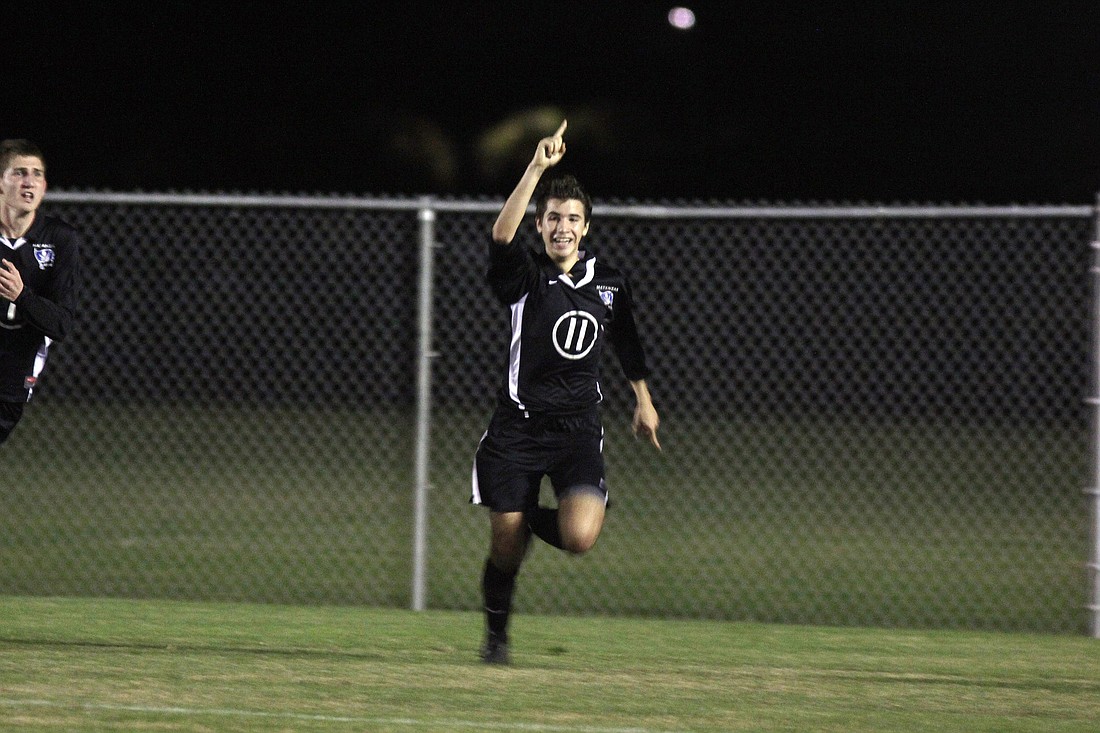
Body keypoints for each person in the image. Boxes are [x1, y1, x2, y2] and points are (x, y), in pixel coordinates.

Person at [471, 120, 661, 664]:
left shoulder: (609, 281)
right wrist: (535, 168)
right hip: (518, 428)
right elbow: (500, 238)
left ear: (586, 228)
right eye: (553, 218)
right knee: (504, 549)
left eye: (572, 219)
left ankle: (531, 515)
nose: (562, 228)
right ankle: (496, 639)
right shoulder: (525, 276)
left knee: (578, 537)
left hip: (578, 429)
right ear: (541, 224)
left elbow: (625, 336)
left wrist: (643, 399)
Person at [0, 139, 81, 445]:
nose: (28, 181)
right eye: (19, 172)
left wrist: (23, 296)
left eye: (36, 174)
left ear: (45, 186)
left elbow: (60, 324)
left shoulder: (59, 239)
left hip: (10, 383)